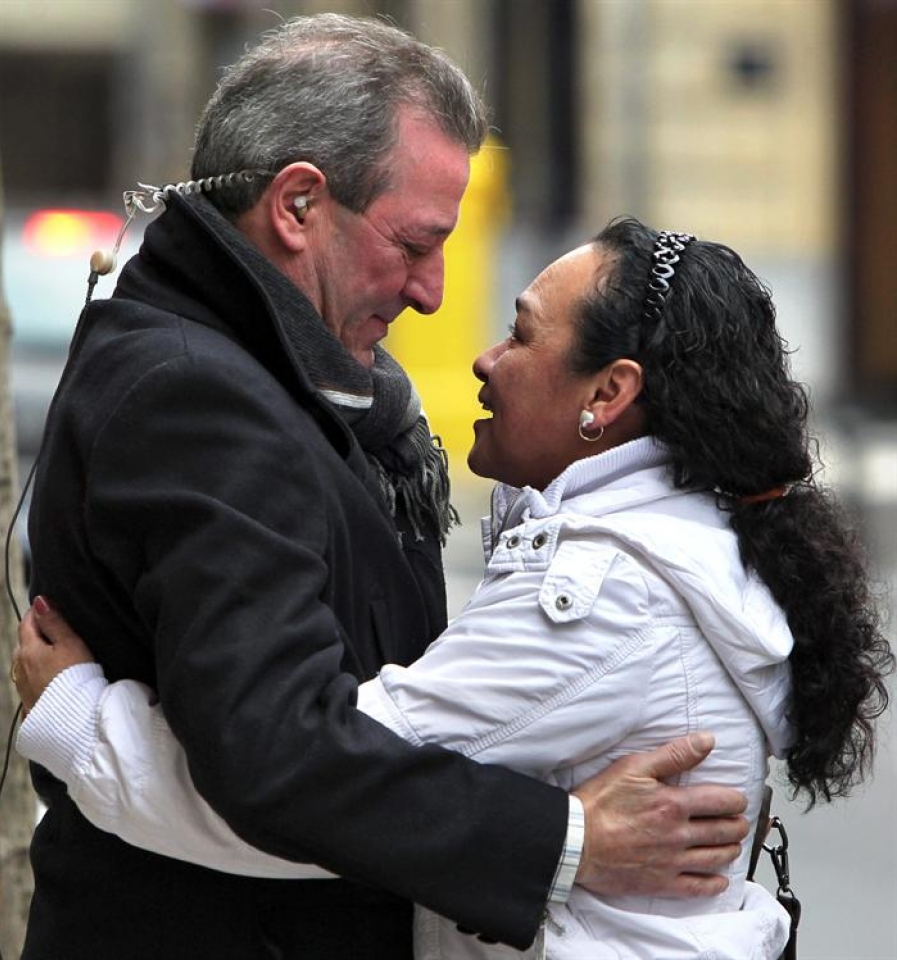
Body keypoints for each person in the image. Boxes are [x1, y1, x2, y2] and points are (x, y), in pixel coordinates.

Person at [9, 14, 750, 960]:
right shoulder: (202, 396)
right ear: (297, 206)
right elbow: (282, 761)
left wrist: (82, 721)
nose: (435, 292)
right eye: (413, 243)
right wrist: (566, 842)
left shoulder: (267, 372)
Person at [15, 219, 894, 959]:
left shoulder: (601, 595)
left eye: (519, 334)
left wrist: (75, 715)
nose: (481, 357)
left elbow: (297, 798)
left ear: (606, 395)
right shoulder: (686, 536)